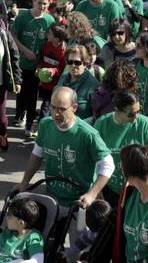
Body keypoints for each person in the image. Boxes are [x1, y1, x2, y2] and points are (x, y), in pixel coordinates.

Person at [18, 85, 113, 218]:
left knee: (79, 239)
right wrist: (24, 182)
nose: (56, 113)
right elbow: (37, 154)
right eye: (53, 107)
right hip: (52, 199)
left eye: (62, 109)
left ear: (74, 107)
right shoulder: (45, 125)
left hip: (79, 203)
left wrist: (91, 195)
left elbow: (108, 164)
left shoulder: (87, 134)